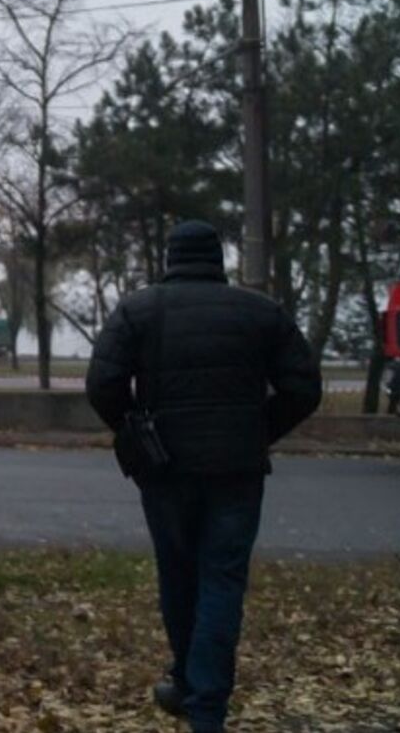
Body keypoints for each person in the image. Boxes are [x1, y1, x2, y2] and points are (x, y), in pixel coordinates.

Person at [85, 221, 322, 733]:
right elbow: (304, 388)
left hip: (166, 468)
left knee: (177, 573)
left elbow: (102, 383)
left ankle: (188, 683)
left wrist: (135, 431)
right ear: (219, 259)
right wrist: (258, 430)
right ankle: (206, 706)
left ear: (171, 259)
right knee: (222, 580)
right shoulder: (260, 311)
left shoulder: (140, 310)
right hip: (237, 471)